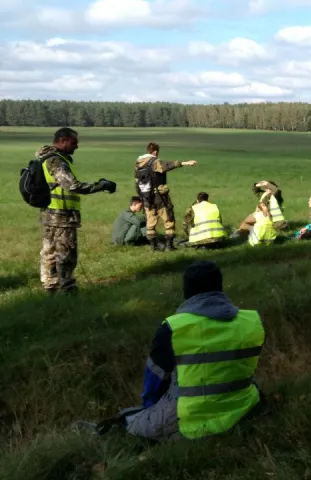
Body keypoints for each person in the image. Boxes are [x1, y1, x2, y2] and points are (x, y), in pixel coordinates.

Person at [117, 261, 266, 440]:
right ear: (219, 286)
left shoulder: (173, 328)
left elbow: (154, 384)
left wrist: (151, 408)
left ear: (187, 291)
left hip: (189, 421)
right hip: (242, 407)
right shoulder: (252, 321)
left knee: (128, 421)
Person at [37, 127, 116, 294]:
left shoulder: (46, 158)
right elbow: (72, 185)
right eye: (74, 143)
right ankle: (67, 289)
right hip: (61, 215)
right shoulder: (56, 161)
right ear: (63, 141)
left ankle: (51, 287)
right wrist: (101, 186)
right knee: (65, 254)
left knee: (49, 252)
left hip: (49, 214)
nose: (76, 147)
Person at [135, 142, 198, 252]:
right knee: (169, 219)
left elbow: (137, 182)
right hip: (159, 197)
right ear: (155, 152)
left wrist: (142, 196)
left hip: (146, 198)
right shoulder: (154, 162)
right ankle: (169, 246)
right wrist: (186, 163)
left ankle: (154, 247)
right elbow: (168, 165)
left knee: (150, 223)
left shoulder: (138, 165)